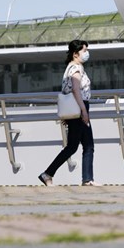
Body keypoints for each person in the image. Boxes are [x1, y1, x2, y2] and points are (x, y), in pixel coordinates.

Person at [38, 39, 99, 186]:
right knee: (81, 146)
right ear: (75, 53)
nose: (87, 53)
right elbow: (76, 90)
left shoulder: (70, 68)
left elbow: (67, 91)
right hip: (80, 107)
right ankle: (50, 174)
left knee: (83, 145)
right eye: (84, 50)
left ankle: (86, 178)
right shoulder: (75, 69)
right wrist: (84, 111)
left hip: (75, 109)